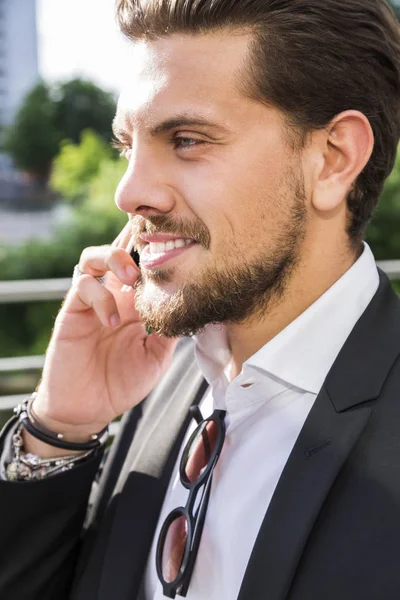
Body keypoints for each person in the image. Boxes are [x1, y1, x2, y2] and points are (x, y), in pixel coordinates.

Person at [1, 0, 400, 598]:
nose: (128, 192)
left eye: (186, 140)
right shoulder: (155, 376)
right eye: (126, 147)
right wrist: (60, 427)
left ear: (332, 159)